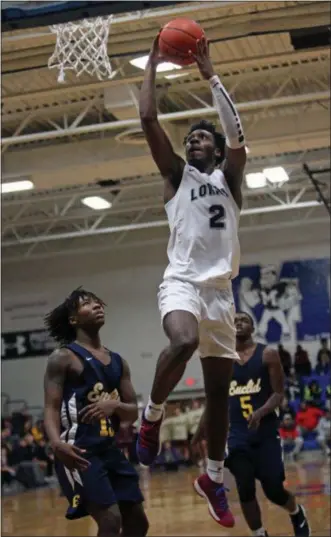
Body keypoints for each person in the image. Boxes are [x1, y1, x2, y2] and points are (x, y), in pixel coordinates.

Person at [137, 32, 246, 528]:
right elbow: (147, 119)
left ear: (217, 149)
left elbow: (239, 136)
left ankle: (213, 477)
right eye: (191, 138)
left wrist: (211, 76)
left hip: (221, 292)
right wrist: (155, 63)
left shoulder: (231, 179)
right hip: (181, 280)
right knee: (181, 341)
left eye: (202, 137)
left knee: (220, 399)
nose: (192, 140)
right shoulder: (177, 177)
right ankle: (152, 417)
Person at [192, 312, 310, 536]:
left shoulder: (268, 354)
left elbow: (278, 393)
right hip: (237, 436)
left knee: (274, 490)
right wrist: (199, 432)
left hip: (265, 434)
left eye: (243, 320)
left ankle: (296, 512)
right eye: (234, 321)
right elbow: (214, 401)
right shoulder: (223, 362)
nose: (238, 323)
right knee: (245, 487)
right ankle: (258, 533)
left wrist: (261, 412)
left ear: (253, 328)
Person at [43, 288, 148, 537]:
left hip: (109, 449)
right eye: (88, 304)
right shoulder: (63, 358)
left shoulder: (118, 361)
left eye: (98, 303)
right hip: (78, 450)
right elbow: (51, 407)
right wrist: (57, 444)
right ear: (73, 320)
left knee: (138, 524)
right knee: (110, 521)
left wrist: (115, 407)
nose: (97, 306)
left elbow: (131, 413)